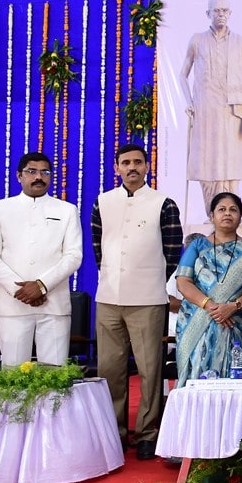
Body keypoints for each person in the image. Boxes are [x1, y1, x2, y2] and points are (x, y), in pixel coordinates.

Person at [92, 143, 183, 460]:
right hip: (108, 297)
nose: (132, 167)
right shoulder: (102, 202)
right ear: (116, 167)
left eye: (138, 162)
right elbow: (97, 248)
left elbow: (172, 252)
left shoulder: (163, 203)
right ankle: (114, 432)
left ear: (147, 167)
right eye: (126, 162)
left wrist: (150, 279)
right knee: (110, 368)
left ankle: (147, 433)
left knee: (149, 369)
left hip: (148, 298)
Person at [0, 152, 83, 366]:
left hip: (54, 304)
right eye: (31, 171)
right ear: (19, 176)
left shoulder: (67, 210)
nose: (38, 177)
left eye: (45, 172)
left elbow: (74, 256)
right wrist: (21, 290)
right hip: (12, 304)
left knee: (54, 374)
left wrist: (41, 286)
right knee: (14, 374)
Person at [174, 192, 242, 385]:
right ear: (212, 216)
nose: (227, 213)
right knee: (196, 378)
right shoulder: (197, 246)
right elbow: (183, 281)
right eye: (221, 209)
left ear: (241, 217)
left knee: (235, 376)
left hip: (238, 323)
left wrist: (233, 307)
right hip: (199, 321)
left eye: (233, 210)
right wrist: (211, 307)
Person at [179, 0, 242, 215]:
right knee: (205, 162)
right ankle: (211, 212)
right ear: (208, 13)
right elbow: (182, 75)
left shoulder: (240, 42)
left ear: (230, 13)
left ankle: (232, 212)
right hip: (205, 110)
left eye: (225, 10)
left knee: (231, 163)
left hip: (232, 111)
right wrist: (189, 102)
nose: (221, 14)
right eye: (216, 10)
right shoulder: (197, 40)